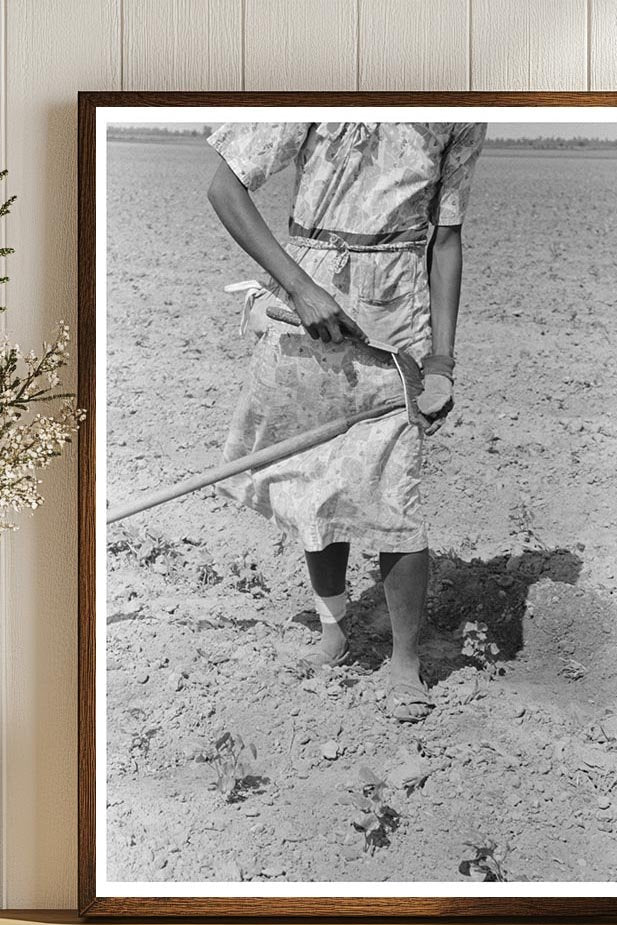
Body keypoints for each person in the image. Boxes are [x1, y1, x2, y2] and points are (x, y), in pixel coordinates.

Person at [206, 121, 486, 723]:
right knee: (312, 481)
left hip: (395, 319)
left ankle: (404, 662)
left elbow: (446, 238)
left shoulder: (458, 111)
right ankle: (334, 631)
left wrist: (441, 361)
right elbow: (225, 187)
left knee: (395, 493)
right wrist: (302, 290)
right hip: (303, 307)